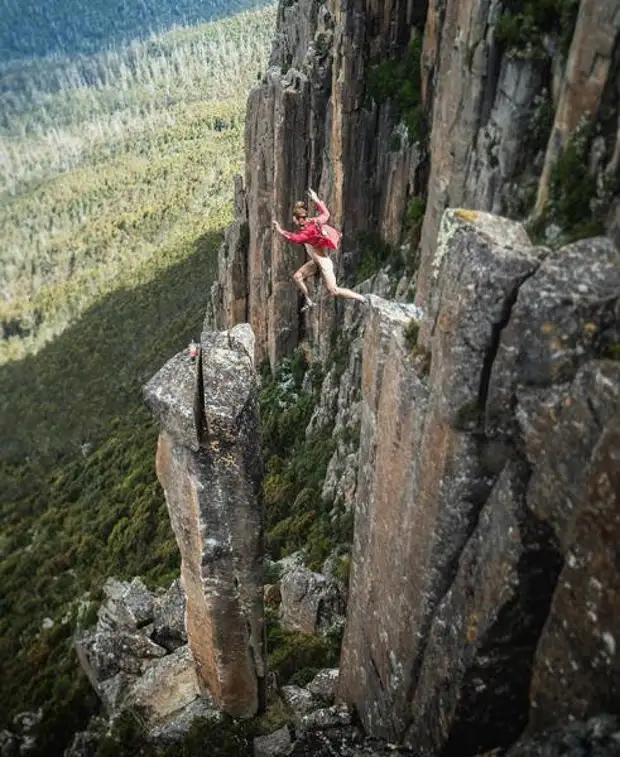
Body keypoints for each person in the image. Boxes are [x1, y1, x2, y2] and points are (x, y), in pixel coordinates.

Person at [272, 188, 367, 311]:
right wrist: (316, 199)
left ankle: (360, 297)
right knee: (297, 277)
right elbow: (326, 214)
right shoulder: (314, 222)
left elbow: (296, 238)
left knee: (333, 290)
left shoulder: (308, 232)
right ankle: (309, 301)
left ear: (298, 218)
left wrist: (280, 231)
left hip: (323, 262)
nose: (293, 221)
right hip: (315, 262)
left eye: (294, 219)